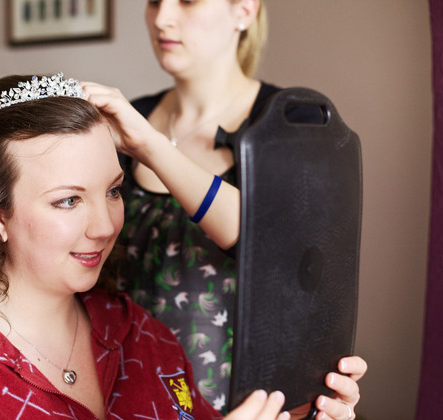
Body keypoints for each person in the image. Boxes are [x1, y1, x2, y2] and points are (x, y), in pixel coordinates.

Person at [0, 73, 362, 420]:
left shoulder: (142, 334)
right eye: (68, 201)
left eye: (113, 191)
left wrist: (299, 414)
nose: (105, 226)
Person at [82, 0, 366, 415]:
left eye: (188, 1)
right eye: (154, 1)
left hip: (240, 403)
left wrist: (152, 146)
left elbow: (276, 242)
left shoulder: (293, 121)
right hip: (123, 391)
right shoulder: (132, 118)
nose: (162, 18)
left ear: (245, 11)